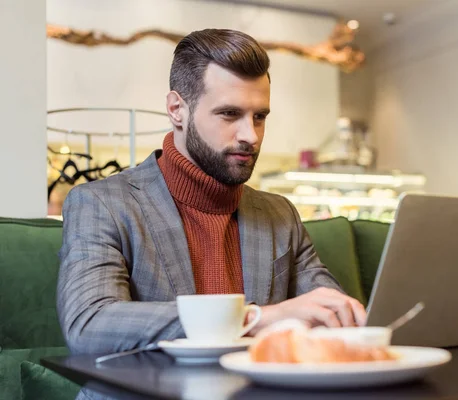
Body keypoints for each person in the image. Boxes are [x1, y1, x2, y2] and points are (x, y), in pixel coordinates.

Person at [57, 29, 366, 357]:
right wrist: (253, 318)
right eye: (229, 114)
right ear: (177, 109)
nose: (251, 135)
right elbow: (88, 322)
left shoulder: (281, 214)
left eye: (259, 116)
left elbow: (331, 314)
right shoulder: (101, 204)